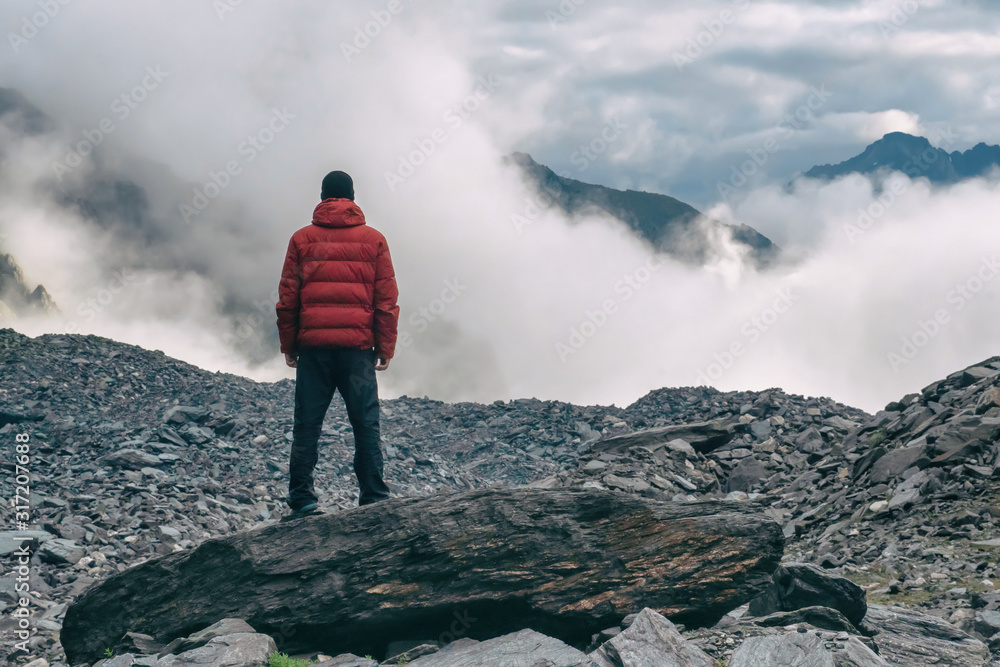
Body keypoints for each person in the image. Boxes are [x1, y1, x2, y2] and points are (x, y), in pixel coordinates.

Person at [275, 170, 399, 517]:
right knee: (365, 423)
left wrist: (289, 344)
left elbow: (287, 298)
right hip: (357, 351)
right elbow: (386, 300)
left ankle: (302, 500)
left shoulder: (301, 239)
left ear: (322, 197)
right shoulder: (374, 240)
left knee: (307, 425)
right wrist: (385, 347)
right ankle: (373, 496)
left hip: (314, 350)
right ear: (353, 198)